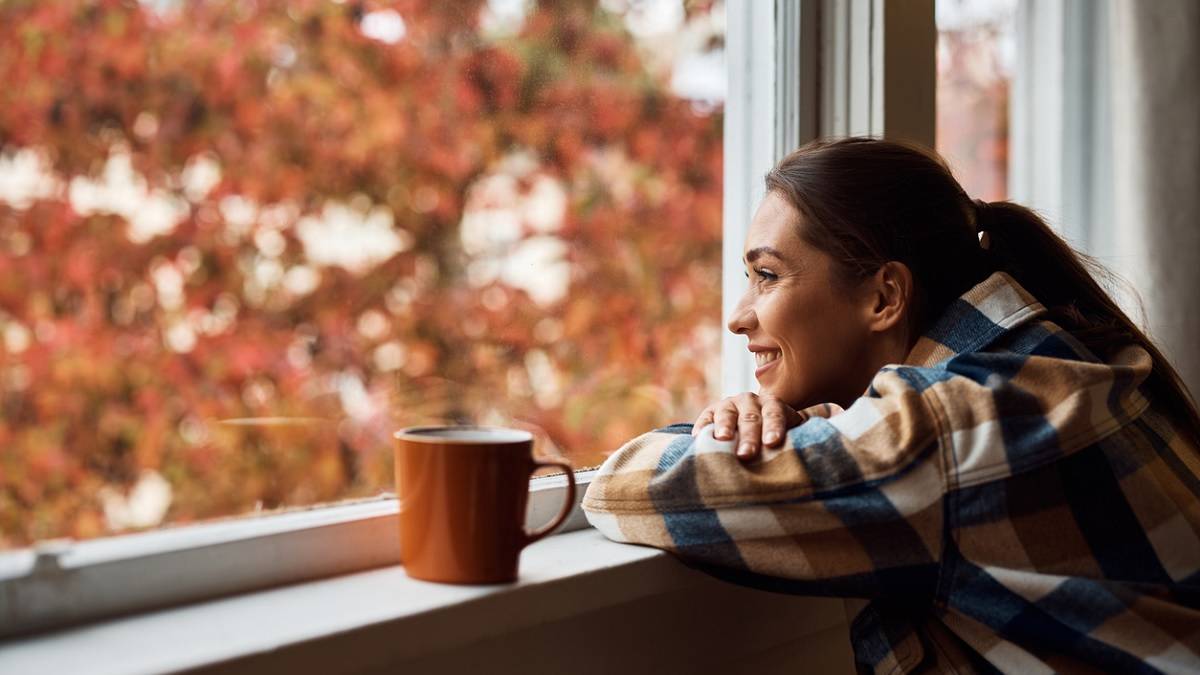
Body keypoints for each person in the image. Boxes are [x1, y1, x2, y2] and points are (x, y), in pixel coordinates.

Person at [581, 137, 1200, 674]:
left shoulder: (946, 433)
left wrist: (735, 430)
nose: (738, 317)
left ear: (884, 297)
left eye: (767, 276)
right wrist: (807, 424)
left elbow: (623, 487)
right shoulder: (1055, 361)